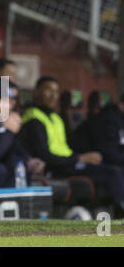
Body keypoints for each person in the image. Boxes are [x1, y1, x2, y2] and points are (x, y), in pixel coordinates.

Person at [19, 76, 124, 214]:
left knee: (113, 168)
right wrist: (79, 159)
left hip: (69, 163)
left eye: (56, 92)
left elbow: (67, 148)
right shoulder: (33, 118)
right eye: (48, 90)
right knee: (113, 173)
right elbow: (44, 156)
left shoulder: (56, 118)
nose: (53, 96)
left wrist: (82, 158)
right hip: (55, 169)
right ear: (36, 92)